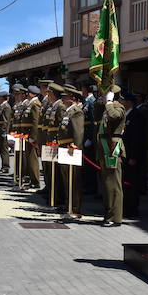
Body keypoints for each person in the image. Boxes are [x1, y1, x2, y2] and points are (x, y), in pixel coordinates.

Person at [97, 85, 127, 227]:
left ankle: (115, 217)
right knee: (107, 184)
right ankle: (108, 213)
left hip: (112, 148)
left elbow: (114, 116)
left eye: (104, 95)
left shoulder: (118, 107)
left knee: (113, 184)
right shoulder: (107, 107)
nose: (102, 97)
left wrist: (109, 102)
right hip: (104, 147)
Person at [56, 85, 85, 219]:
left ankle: (74, 208)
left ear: (72, 98)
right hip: (64, 148)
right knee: (66, 179)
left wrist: (76, 149)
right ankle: (68, 206)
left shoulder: (76, 112)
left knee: (73, 180)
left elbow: (78, 133)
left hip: (71, 150)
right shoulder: (68, 111)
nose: (62, 98)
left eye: (65, 96)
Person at [119, 89, 146, 219]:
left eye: (122, 100)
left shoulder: (136, 115)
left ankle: (132, 209)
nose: (120, 102)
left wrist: (134, 157)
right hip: (124, 155)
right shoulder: (125, 115)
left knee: (132, 184)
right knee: (125, 183)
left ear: (128, 102)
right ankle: (126, 207)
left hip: (132, 156)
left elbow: (138, 138)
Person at [24, 85, 42, 190]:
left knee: (33, 159)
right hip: (27, 135)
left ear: (31, 94)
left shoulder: (35, 104)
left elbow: (36, 121)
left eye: (27, 93)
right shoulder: (31, 104)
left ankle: (35, 181)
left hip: (31, 135)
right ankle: (32, 180)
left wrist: (33, 136)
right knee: (29, 158)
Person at [0, 91, 12, 173]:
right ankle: (3, 165)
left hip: (2, 130)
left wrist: (4, 132)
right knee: (1, 149)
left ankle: (6, 166)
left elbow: (6, 121)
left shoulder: (6, 107)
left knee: (4, 149)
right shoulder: (1, 106)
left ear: (2, 97)